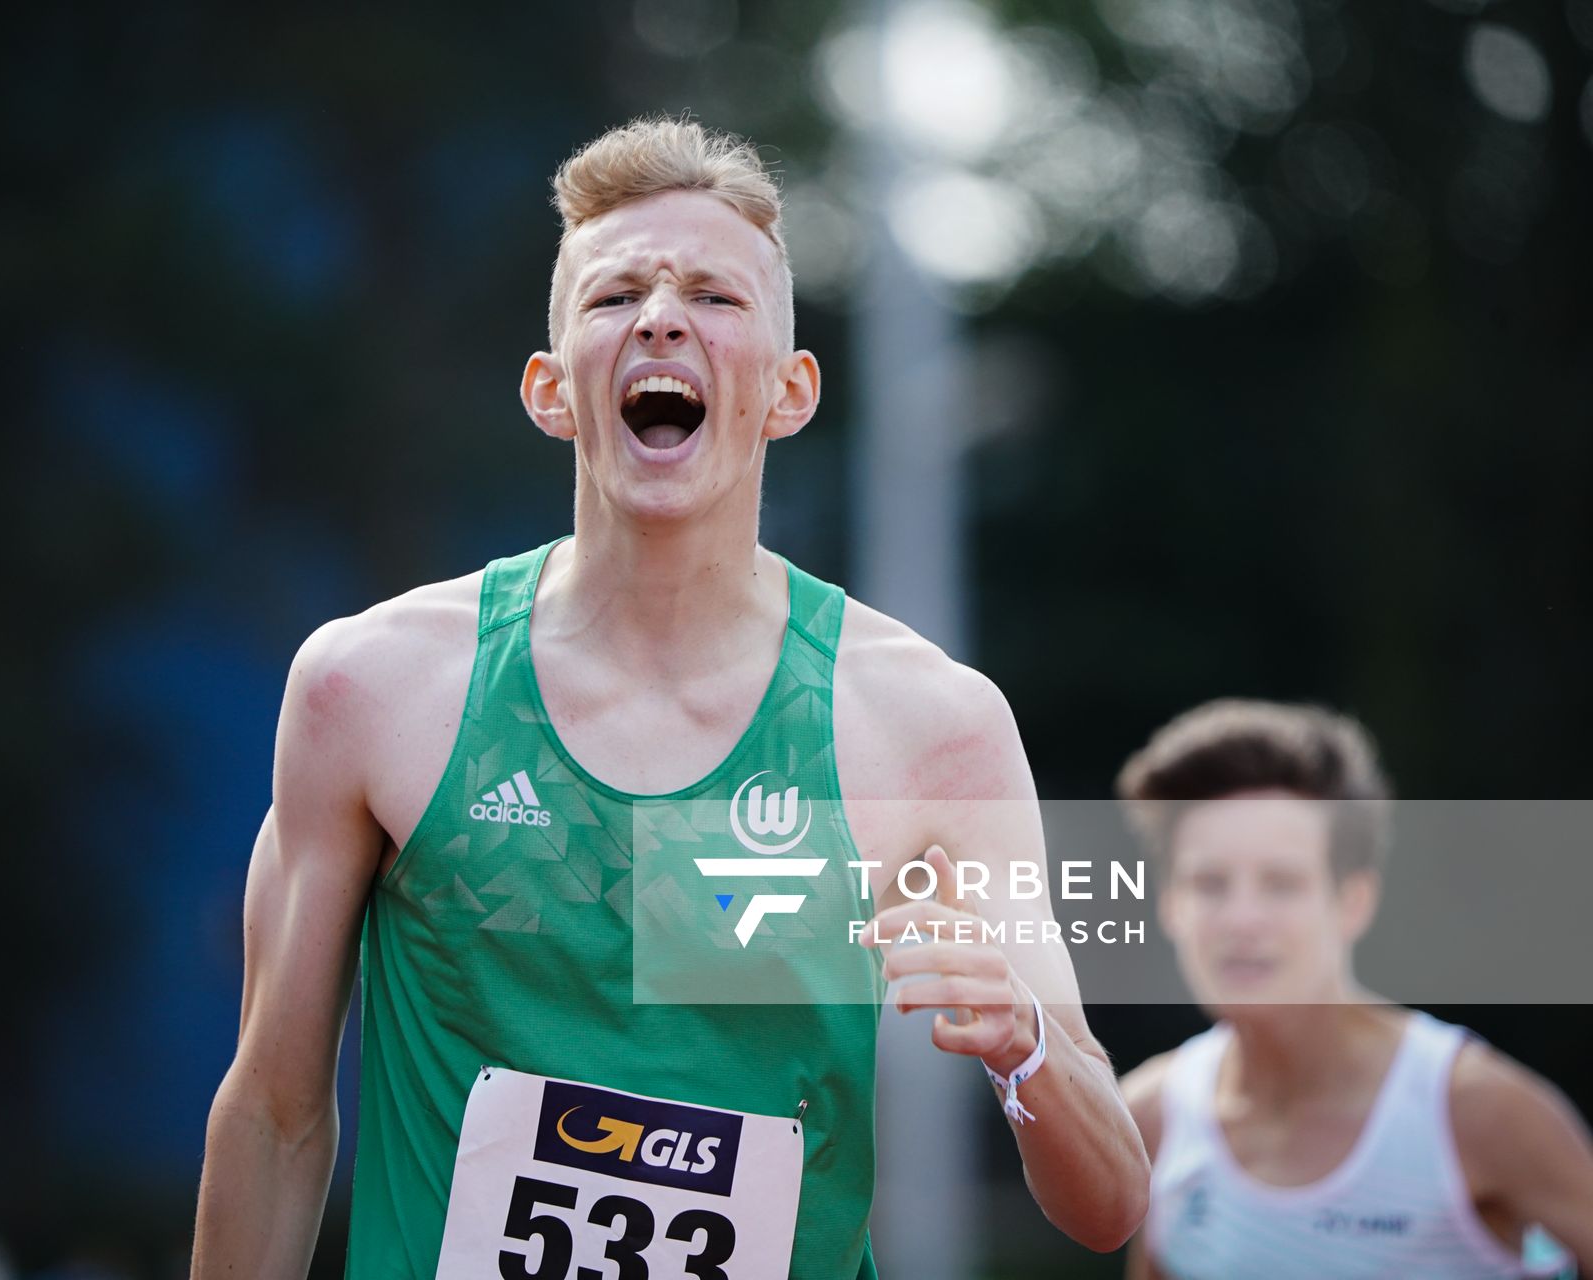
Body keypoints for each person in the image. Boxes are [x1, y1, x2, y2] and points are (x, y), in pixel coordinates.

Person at [189, 117, 1147, 1280]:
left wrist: (1026, 1045)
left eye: (715, 295)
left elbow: (1112, 1205)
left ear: (790, 392)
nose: (659, 316)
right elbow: (277, 1113)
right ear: (550, 391)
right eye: (614, 297)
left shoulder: (929, 728)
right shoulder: (374, 688)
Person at [1117, 698, 1593, 1278]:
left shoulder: (1474, 1110)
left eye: (1281, 883)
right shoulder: (1147, 1119)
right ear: (1170, 905)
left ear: (1353, 902)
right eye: (1210, 883)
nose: (1241, 919)